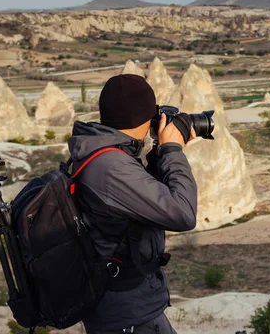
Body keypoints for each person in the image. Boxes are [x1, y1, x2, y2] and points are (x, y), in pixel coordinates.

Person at [67, 74, 198, 334]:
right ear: (144, 116)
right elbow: (183, 214)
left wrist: (159, 153)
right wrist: (173, 151)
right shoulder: (111, 167)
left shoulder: (106, 152)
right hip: (128, 315)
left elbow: (146, 198)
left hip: (130, 307)